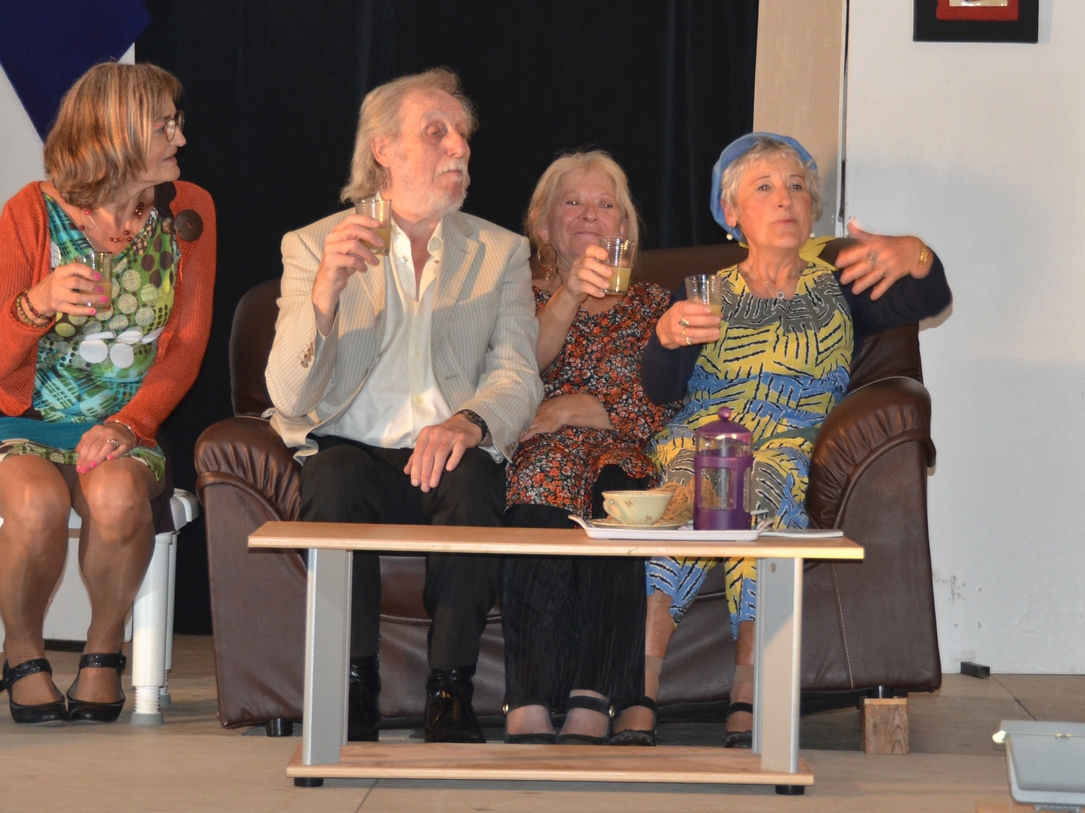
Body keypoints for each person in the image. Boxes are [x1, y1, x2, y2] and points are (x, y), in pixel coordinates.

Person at [611, 132, 951, 746]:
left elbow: (930, 296)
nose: (784, 199)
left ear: (812, 207)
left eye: (796, 187)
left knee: (756, 484)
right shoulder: (703, 289)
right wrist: (664, 337)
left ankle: (745, 694)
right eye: (764, 188)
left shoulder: (843, 285)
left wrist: (915, 252)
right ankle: (643, 688)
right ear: (732, 212)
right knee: (693, 493)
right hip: (703, 439)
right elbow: (661, 390)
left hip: (791, 444)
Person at [266, 67, 540, 745]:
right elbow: (287, 395)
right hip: (353, 446)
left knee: (475, 480)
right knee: (331, 478)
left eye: (463, 135)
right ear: (383, 148)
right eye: (436, 132)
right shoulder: (315, 244)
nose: (459, 147)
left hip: (448, 445)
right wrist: (325, 292)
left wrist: (469, 421)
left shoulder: (500, 251)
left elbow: (517, 372)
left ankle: (450, 689)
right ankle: (352, 682)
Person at [0, 62, 215, 725]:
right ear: (116, 134)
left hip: (121, 424)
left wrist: (131, 422)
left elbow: (184, 349)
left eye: (177, 123)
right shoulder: (29, 212)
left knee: (119, 497)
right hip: (13, 418)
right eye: (164, 126)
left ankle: (103, 651)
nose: (180, 138)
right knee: (36, 502)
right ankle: (23, 653)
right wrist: (34, 305)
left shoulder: (189, 211)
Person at [497, 151, 674, 745]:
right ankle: (526, 695)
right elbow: (518, 371)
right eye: (572, 202)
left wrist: (576, 408)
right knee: (539, 500)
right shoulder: (516, 296)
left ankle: (593, 698)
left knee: (619, 499)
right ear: (543, 224)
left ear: (624, 226)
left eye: (605, 204)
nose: (590, 215)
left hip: (622, 450)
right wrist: (568, 294)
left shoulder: (653, 304)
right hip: (539, 453)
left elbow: (661, 400)